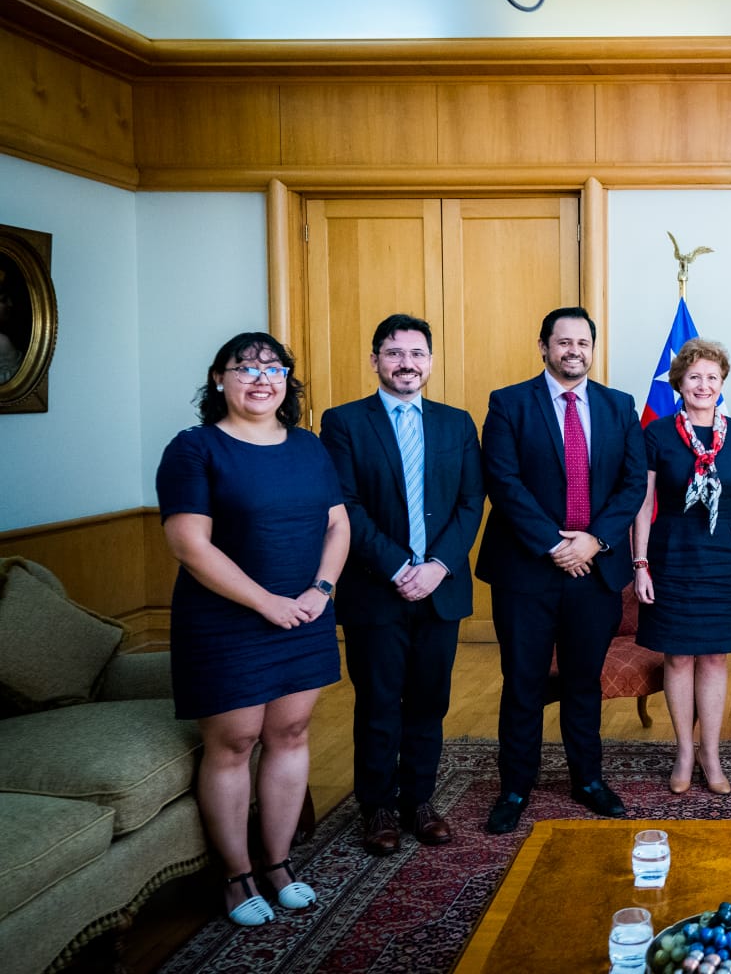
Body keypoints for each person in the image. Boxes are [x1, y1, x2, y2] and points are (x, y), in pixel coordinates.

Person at [156, 332, 349, 925]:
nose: (260, 378)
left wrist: (320, 591)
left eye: (273, 367)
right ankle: (238, 877)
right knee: (234, 742)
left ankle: (279, 863)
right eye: (245, 368)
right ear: (219, 379)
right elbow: (189, 544)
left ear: (287, 380)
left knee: (290, 734)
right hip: (226, 620)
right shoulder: (194, 449)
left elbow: (337, 526)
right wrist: (266, 602)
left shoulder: (310, 446)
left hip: (306, 614)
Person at [476, 306, 647, 834]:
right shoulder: (509, 404)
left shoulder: (619, 406)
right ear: (543, 346)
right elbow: (503, 483)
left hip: (593, 570)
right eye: (563, 342)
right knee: (523, 681)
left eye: (582, 342)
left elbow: (632, 483)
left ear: (593, 349)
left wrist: (592, 542)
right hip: (527, 571)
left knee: (581, 682)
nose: (573, 350)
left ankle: (587, 779)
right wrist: (555, 544)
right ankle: (515, 786)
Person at [320, 314, 484, 855]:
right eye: (394, 353)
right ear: (375, 360)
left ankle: (419, 800)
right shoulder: (344, 422)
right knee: (378, 702)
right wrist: (397, 566)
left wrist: (437, 565)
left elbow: (468, 503)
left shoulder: (457, 423)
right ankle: (378, 807)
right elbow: (346, 505)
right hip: (375, 589)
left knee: (429, 702)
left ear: (430, 362)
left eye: (416, 354)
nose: (406, 363)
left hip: (441, 588)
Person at [631, 338, 731, 795]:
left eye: (712, 377)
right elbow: (644, 502)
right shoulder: (656, 434)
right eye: (694, 377)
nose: (703, 385)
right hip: (671, 555)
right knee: (678, 655)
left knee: (713, 656)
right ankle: (684, 753)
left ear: (722, 383)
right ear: (679, 384)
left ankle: (710, 753)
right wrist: (641, 563)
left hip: (726, 556)